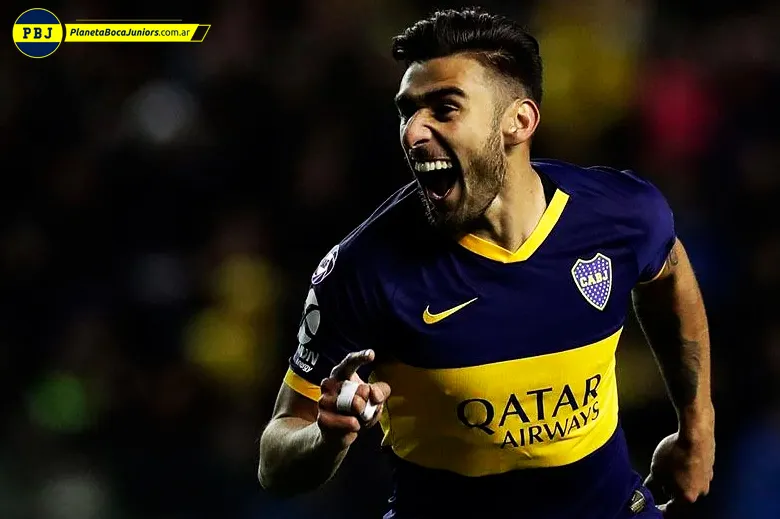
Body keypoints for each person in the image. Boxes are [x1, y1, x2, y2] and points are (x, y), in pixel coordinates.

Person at [258, 8, 715, 519]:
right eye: (407, 111)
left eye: (444, 108)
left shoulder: (621, 213)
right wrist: (324, 438)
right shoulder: (362, 270)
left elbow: (669, 272)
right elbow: (275, 462)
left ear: (519, 121)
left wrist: (697, 427)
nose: (413, 132)